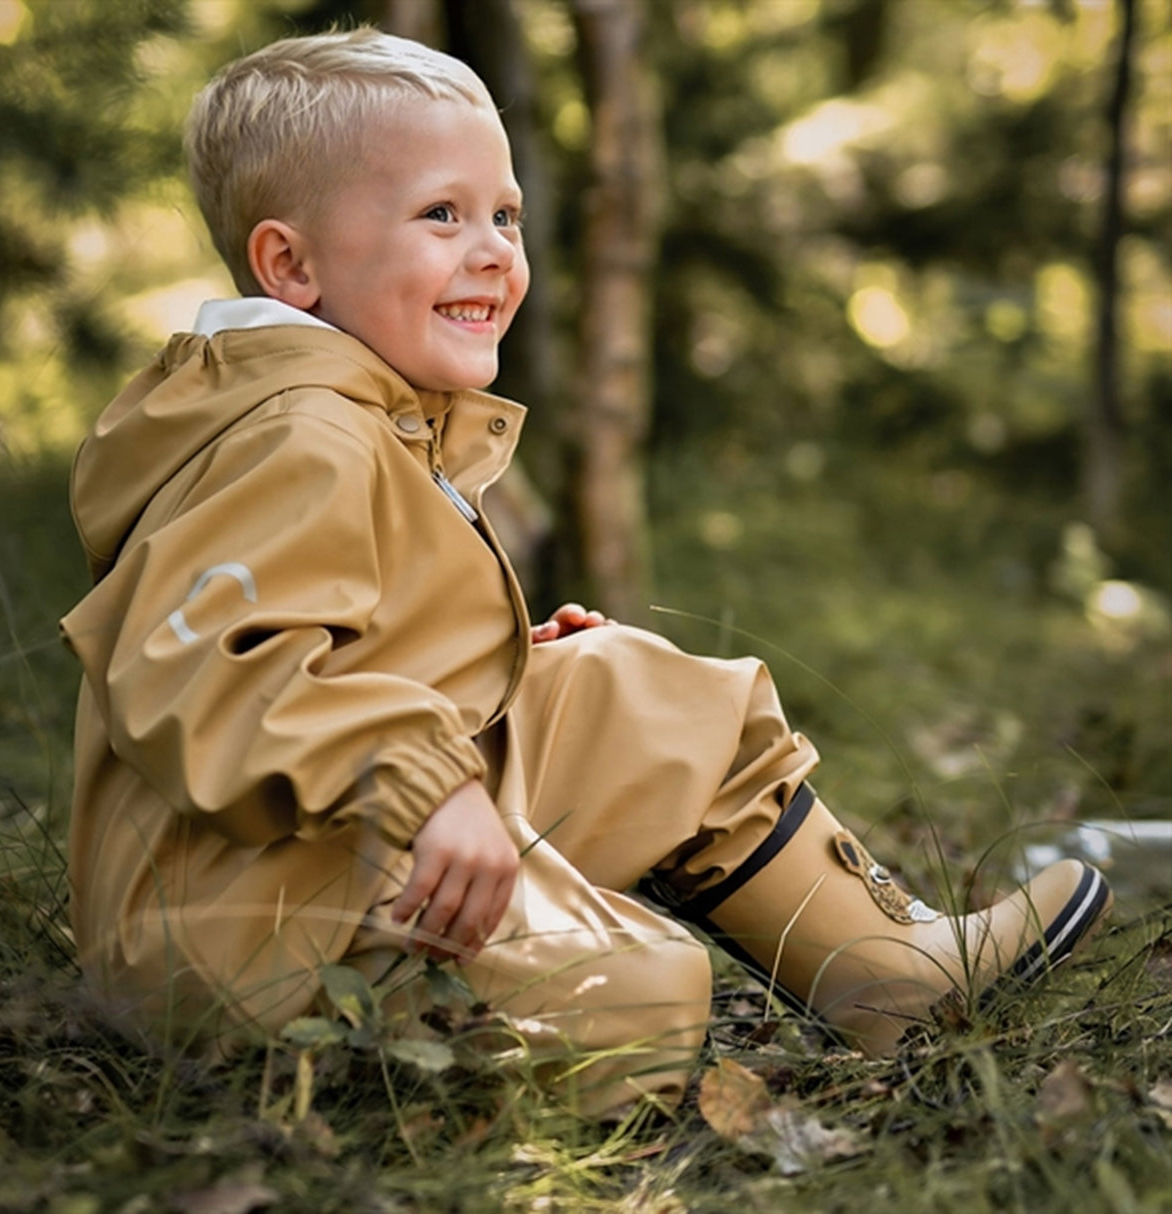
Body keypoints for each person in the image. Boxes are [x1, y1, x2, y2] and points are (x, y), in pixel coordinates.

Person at [60, 27, 1112, 1118]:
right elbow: (210, 671)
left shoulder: (363, 414)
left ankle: (888, 975)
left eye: (505, 215)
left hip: (323, 843)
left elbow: (328, 637)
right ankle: (356, 1092)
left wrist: (482, 675)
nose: (492, 251)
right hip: (234, 927)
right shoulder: (297, 434)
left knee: (638, 693)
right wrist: (426, 778)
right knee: (637, 994)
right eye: (441, 214)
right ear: (291, 265)